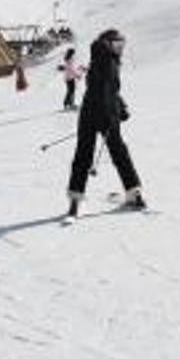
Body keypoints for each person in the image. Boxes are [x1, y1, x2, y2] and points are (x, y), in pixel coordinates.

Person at [66, 29, 145, 218]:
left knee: (83, 153)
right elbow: (105, 90)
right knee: (119, 152)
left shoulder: (99, 56)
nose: (120, 49)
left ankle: (75, 201)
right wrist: (113, 111)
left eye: (122, 45)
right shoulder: (108, 60)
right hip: (105, 114)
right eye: (117, 45)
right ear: (109, 44)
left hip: (89, 113)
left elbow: (106, 89)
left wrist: (120, 105)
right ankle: (134, 194)